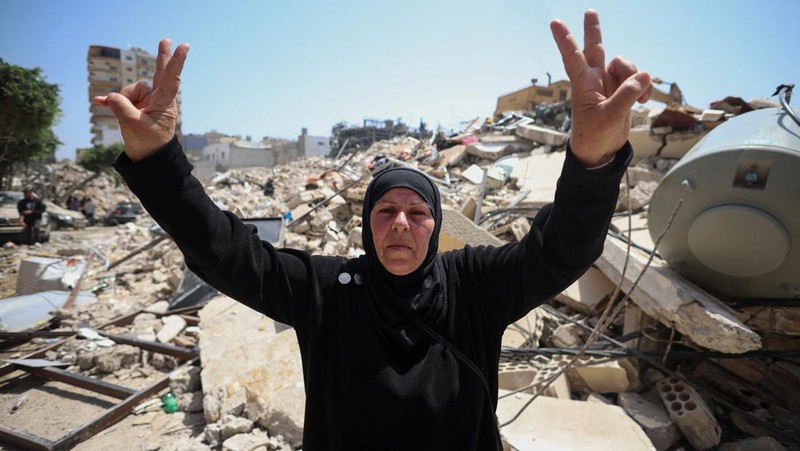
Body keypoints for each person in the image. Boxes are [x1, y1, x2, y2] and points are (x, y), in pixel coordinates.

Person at [98, 10, 651, 450]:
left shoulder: (474, 286)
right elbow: (225, 253)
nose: (401, 224)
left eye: (418, 211)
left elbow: (562, 251)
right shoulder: (324, 291)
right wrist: (160, 161)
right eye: (385, 211)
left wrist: (592, 160)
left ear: (436, 225)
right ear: (366, 225)